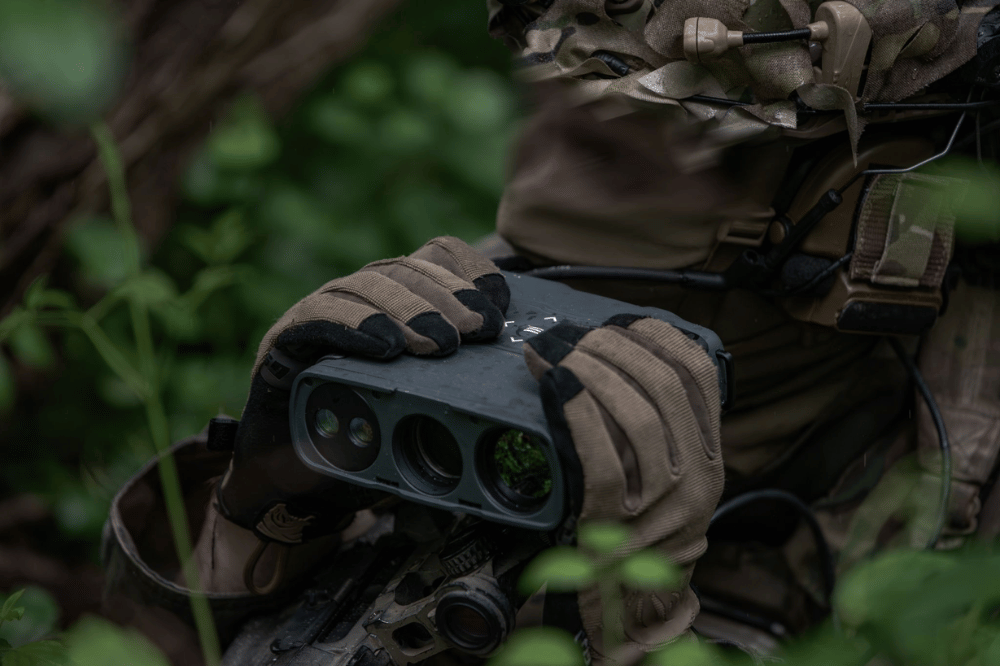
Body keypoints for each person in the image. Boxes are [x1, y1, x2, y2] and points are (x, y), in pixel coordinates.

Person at [103, 0, 1000, 663]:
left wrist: (639, 641)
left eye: (655, 132)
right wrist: (262, 509)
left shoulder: (962, 482)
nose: (550, 172)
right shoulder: (461, 322)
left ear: (888, 217)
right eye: (557, 98)